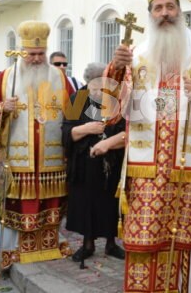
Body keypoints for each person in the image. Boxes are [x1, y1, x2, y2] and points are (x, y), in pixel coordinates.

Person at [107, 0, 191, 293]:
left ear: (180, 11)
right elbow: (111, 114)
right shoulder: (135, 58)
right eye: (158, 7)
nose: (165, 13)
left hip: (190, 173)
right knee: (146, 246)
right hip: (147, 174)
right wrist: (115, 69)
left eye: (170, 6)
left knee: (190, 246)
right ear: (150, 14)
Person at [0, 21, 73, 268]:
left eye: (40, 54)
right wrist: (2, 108)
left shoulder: (59, 77)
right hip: (18, 158)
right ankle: (13, 249)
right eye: (31, 54)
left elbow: (74, 113)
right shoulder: (6, 77)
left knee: (50, 201)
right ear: (22, 53)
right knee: (18, 202)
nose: (35, 59)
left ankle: (48, 245)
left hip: (51, 158)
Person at [62, 62, 126, 264]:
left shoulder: (118, 101)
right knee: (85, 203)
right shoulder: (77, 99)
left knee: (109, 204)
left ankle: (111, 243)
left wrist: (109, 143)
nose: (99, 92)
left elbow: (127, 131)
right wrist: (87, 129)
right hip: (84, 163)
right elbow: (66, 132)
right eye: (95, 87)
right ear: (87, 83)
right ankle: (87, 244)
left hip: (111, 163)